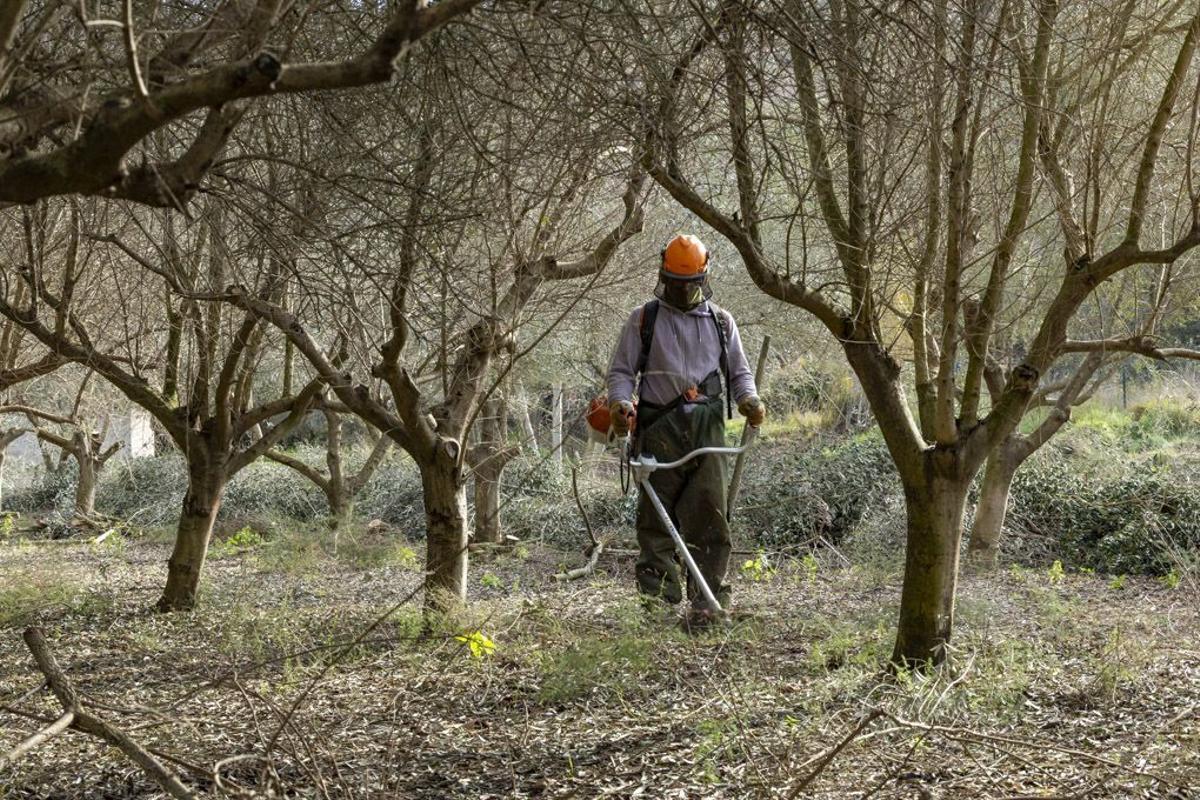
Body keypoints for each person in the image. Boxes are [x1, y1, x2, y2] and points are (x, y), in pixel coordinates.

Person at [606, 234, 766, 628]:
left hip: (707, 431)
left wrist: (750, 401)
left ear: (703, 278)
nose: (681, 291)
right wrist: (620, 404)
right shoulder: (644, 319)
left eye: (688, 284)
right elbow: (622, 373)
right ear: (664, 277)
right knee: (655, 524)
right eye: (675, 284)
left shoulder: (721, 322)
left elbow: (740, 373)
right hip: (657, 428)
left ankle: (706, 606)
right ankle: (659, 607)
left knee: (710, 517)